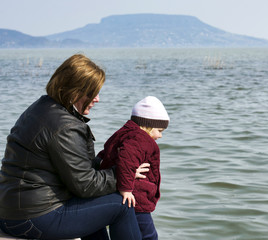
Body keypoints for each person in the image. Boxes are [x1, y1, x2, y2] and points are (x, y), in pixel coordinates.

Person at [0, 54, 145, 240]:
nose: (97, 99)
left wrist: (109, 163)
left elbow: (75, 169)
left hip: (11, 213)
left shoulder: (40, 108)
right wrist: (123, 174)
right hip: (32, 219)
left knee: (96, 206)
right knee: (122, 205)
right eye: (92, 93)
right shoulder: (65, 126)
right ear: (74, 91)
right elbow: (85, 185)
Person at [98, 96, 170, 240]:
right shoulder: (141, 139)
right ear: (147, 125)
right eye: (159, 130)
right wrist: (126, 190)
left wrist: (101, 166)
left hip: (122, 195)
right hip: (136, 198)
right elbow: (126, 160)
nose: (160, 136)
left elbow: (105, 153)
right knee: (149, 235)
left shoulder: (123, 133)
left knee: (125, 230)